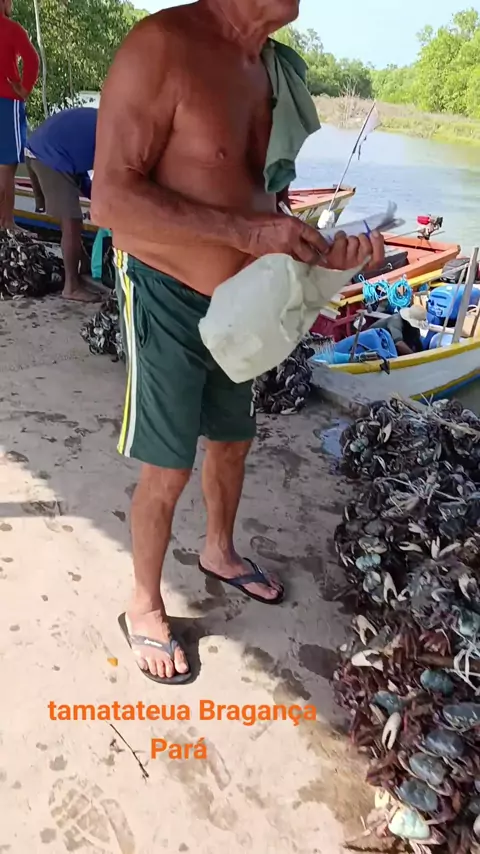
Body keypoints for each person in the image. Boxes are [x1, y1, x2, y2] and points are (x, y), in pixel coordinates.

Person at [92, 0, 385, 685]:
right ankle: (144, 602)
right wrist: (252, 234)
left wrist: (320, 252)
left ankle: (218, 551)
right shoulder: (162, 45)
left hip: (243, 297)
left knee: (233, 440)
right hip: (163, 287)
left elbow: (257, 198)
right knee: (168, 464)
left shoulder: (267, 69)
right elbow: (109, 201)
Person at [26, 107, 101, 302]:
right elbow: (109, 179)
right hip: (50, 157)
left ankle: (82, 265)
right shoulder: (114, 133)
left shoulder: (103, 120)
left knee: (70, 218)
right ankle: (72, 287)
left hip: (37, 149)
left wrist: (96, 197)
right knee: (72, 223)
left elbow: (82, 176)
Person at [0, 0, 39, 228]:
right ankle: (7, 222)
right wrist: (24, 89)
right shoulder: (11, 29)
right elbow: (32, 59)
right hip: (7, 102)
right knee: (6, 167)